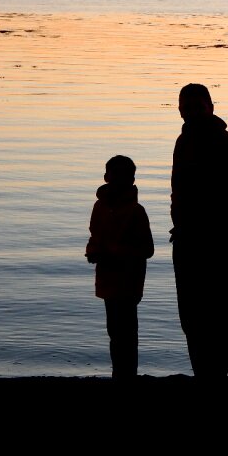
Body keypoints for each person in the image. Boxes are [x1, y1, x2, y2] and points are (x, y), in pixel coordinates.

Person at [170, 83, 228, 378]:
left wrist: (227, 230)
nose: (191, 111)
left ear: (211, 106)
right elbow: (178, 192)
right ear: (180, 109)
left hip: (222, 245)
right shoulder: (182, 143)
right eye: (186, 105)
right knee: (192, 315)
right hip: (186, 244)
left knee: (223, 310)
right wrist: (180, 226)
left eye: (198, 105)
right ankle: (207, 375)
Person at [85, 154, 154, 381]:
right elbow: (95, 234)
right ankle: (120, 373)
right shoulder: (99, 207)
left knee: (126, 331)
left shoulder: (136, 211)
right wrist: (93, 251)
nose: (117, 183)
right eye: (114, 177)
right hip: (107, 278)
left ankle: (127, 375)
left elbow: (147, 249)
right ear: (106, 177)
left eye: (123, 178)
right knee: (115, 330)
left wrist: (114, 252)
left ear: (132, 181)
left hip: (128, 280)